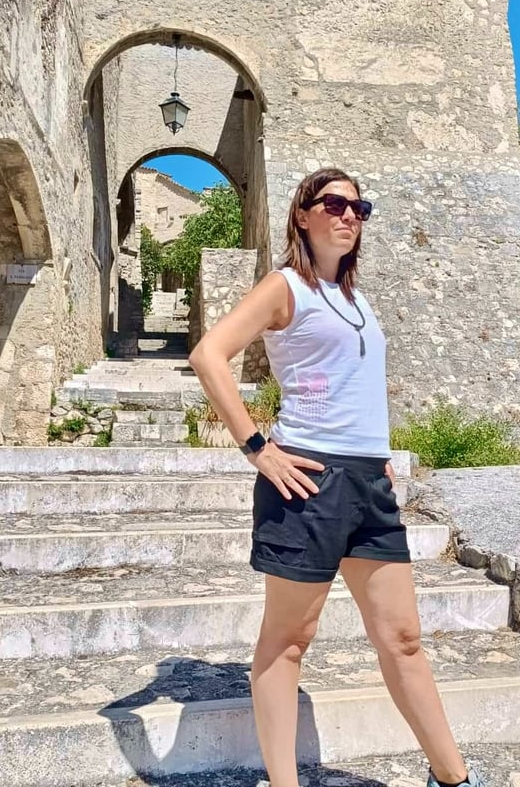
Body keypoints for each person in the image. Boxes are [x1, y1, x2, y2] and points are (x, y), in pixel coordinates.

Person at [188, 168, 485, 787]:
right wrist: (257, 447)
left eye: (359, 207)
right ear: (303, 214)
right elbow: (208, 353)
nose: (349, 215)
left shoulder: (357, 301)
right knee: (289, 641)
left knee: (403, 638)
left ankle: (452, 778)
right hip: (306, 481)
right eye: (335, 204)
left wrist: (377, 454)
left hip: (368, 486)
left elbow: (357, 388)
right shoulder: (284, 286)